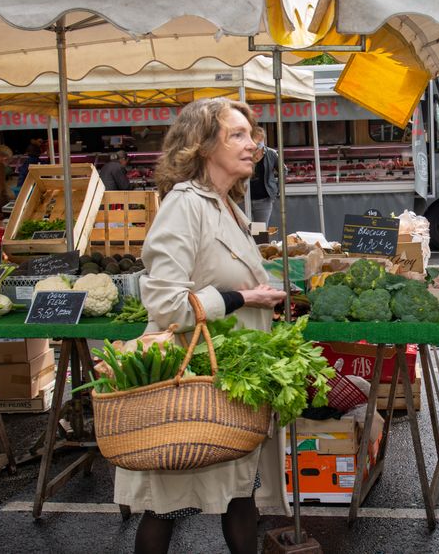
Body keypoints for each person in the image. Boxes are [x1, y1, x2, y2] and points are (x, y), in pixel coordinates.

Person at [115, 98, 287, 554]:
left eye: (252, 135)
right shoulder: (183, 205)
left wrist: (268, 300)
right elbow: (167, 303)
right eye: (238, 135)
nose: (253, 145)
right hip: (191, 381)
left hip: (231, 380)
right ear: (203, 144)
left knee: (240, 494)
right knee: (168, 504)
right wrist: (244, 298)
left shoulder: (227, 204)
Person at [248, 126, 279, 224]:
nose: (258, 144)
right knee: (244, 231)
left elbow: (283, 171)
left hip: (264, 200)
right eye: (255, 140)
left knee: (260, 232)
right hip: (245, 199)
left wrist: (275, 188)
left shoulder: (271, 154)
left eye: (260, 141)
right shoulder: (245, 153)